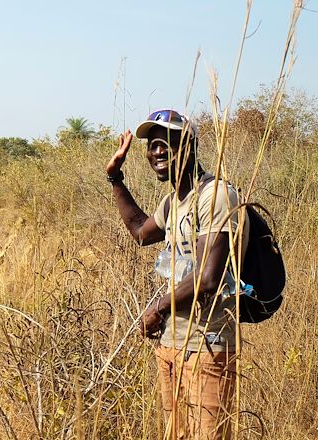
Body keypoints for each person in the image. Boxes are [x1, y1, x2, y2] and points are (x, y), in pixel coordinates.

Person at [105, 109, 248, 440]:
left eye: (166, 142)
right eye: (152, 144)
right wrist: (115, 178)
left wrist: (156, 309)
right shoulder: (174, 202)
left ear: (189, 144)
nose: (157, 151)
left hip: (206, 344)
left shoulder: (215, 195)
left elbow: (208, 277)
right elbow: (141, 232)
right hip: (170, 343)